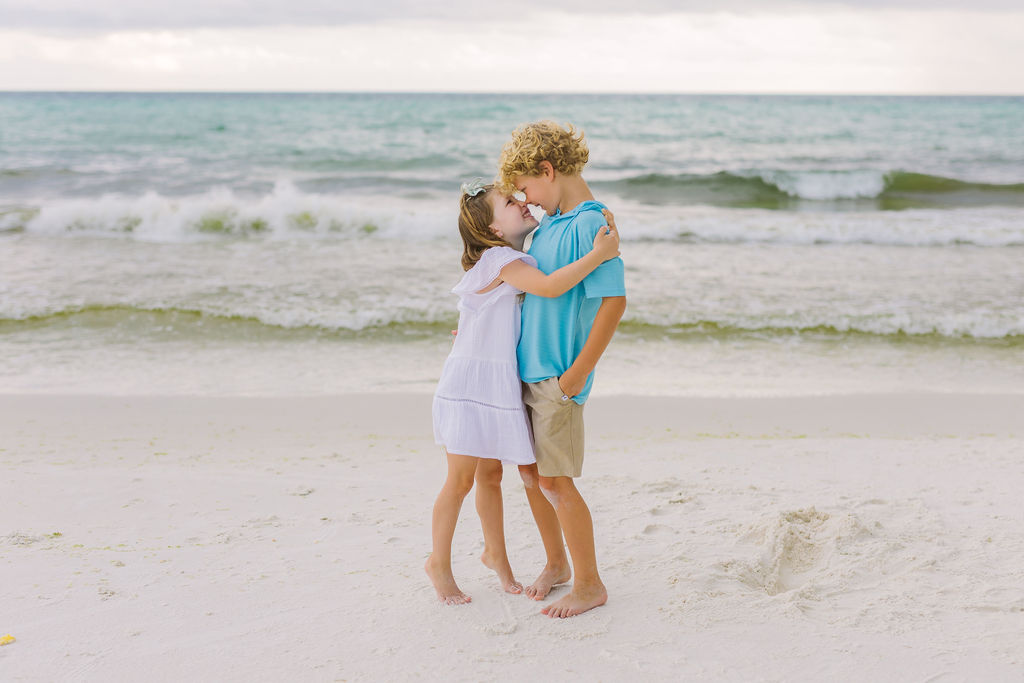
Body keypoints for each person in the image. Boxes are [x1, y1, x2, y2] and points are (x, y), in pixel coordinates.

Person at [426, 178, 619, 605]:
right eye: (509, 203)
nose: (521, 203)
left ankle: (496, 554)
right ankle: (438, 562)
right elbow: (551, 288)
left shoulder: (513, 257)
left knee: (490, 475)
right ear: (494, 230)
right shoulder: (501, 258)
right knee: (460, 481)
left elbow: (505, 310)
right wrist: (599, 255)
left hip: (496, 381)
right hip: (473, 384)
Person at [497, 121, 627, 618]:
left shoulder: (594, 226)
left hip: (558, 377)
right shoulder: (549, 226)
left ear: (547, 171)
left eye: (527, 187)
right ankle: (557, 563)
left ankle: (590, 584)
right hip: (527, 371)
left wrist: (578, 373)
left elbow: (613, 304)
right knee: (531, 475)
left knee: (557, 482)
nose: (525, 200)